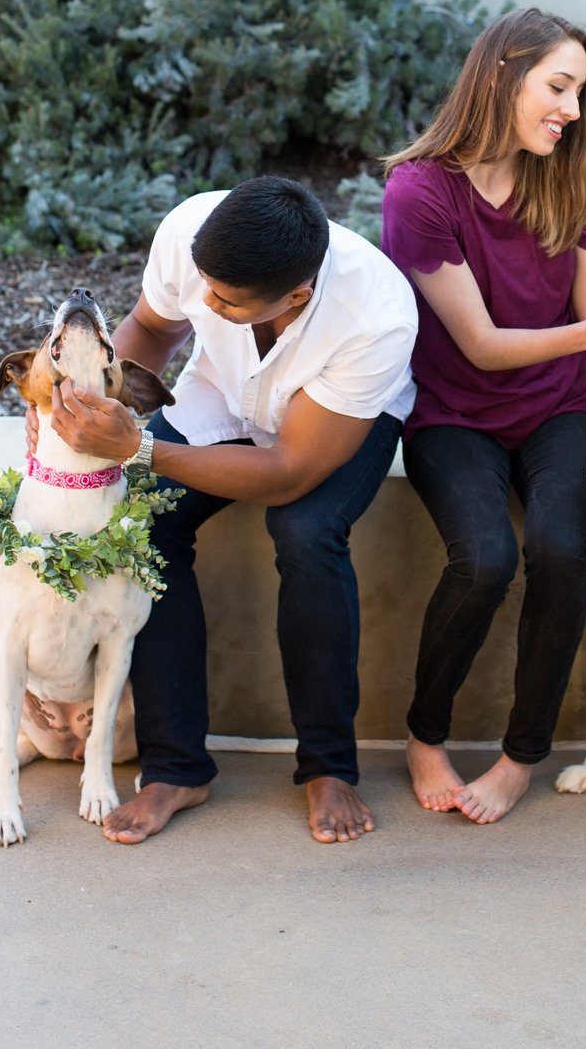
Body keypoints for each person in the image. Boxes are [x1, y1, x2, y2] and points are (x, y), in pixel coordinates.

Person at [37, 174, 417, 846]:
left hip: (332, 425)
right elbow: (153, 330)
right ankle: (177, 768)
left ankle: (329, 767)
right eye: (205, 284)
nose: (205, 301)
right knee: (146, 521)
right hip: (222, 394)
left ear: (295, 297)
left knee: (306, 531)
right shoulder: (191, 232)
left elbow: (288, 471)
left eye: (224, 299)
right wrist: (94, 404)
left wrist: (139, 448)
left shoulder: (377, 315)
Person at [380, 6, 586, 824]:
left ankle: (520, 757)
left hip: (562, 406)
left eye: (579, 92)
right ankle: (424, 734)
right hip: (453, 412)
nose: (573, 111)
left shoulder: (563, 173)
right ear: (503, 76)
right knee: (484, 560)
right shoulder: (421, 192)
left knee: (561, 550)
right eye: (559, 87)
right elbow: (478, 344)